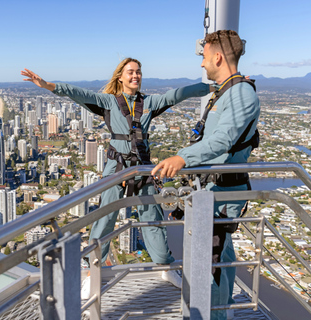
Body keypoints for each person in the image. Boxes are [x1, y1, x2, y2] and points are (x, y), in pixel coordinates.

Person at [21, 59, 211, 295]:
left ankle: (165, 265)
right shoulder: (109, 101)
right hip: (116, 167)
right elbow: (77, 93)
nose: (136, 75)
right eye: (130, 72)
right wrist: (47, 85)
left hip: (142, 167)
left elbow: (177, 95)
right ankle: (93, 272)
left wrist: (213, 87)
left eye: (139, 72)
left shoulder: (149, 102)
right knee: (105, 218)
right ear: (120, 76)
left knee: (151, 217)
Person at [151, 30, 260, 320]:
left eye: (203, 57)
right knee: (221, 260)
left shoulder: (241, 94)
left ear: (218, 56)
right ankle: (222, 315)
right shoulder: (226, 92)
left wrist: (182, 157)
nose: (202, 64)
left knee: (209, 267)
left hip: (222, 195)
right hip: (212, 194)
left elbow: (222, 141)